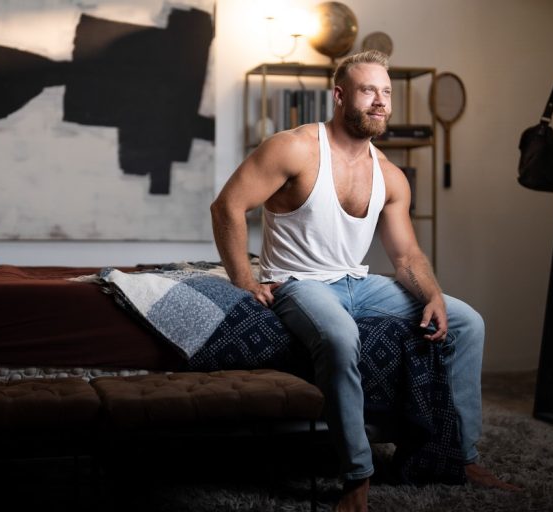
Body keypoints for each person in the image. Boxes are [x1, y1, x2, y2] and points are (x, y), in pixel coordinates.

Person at [210, 50, 518, 512]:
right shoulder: (294, 148)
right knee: (340, 336)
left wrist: (432, 295)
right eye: (369, 90)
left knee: (468, 322)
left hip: (358, 281)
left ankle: (462, 456)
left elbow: (406, 255)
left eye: (386, 92)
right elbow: (227, 206)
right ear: (339, 96)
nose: (381, 101)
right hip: (299, 282)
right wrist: (243, 279)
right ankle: (357, 474)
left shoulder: (389, 175)